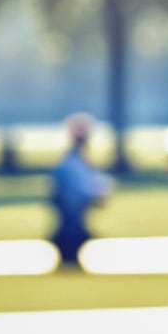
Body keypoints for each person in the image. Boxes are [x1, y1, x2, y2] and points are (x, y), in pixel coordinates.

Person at [51, 112, 112, 267]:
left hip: (75, 200)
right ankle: (68, 259)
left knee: (74, 230)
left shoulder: (77, 159)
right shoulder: (73, 160)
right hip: (72, 201)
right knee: (71, 231)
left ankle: (70, 259)